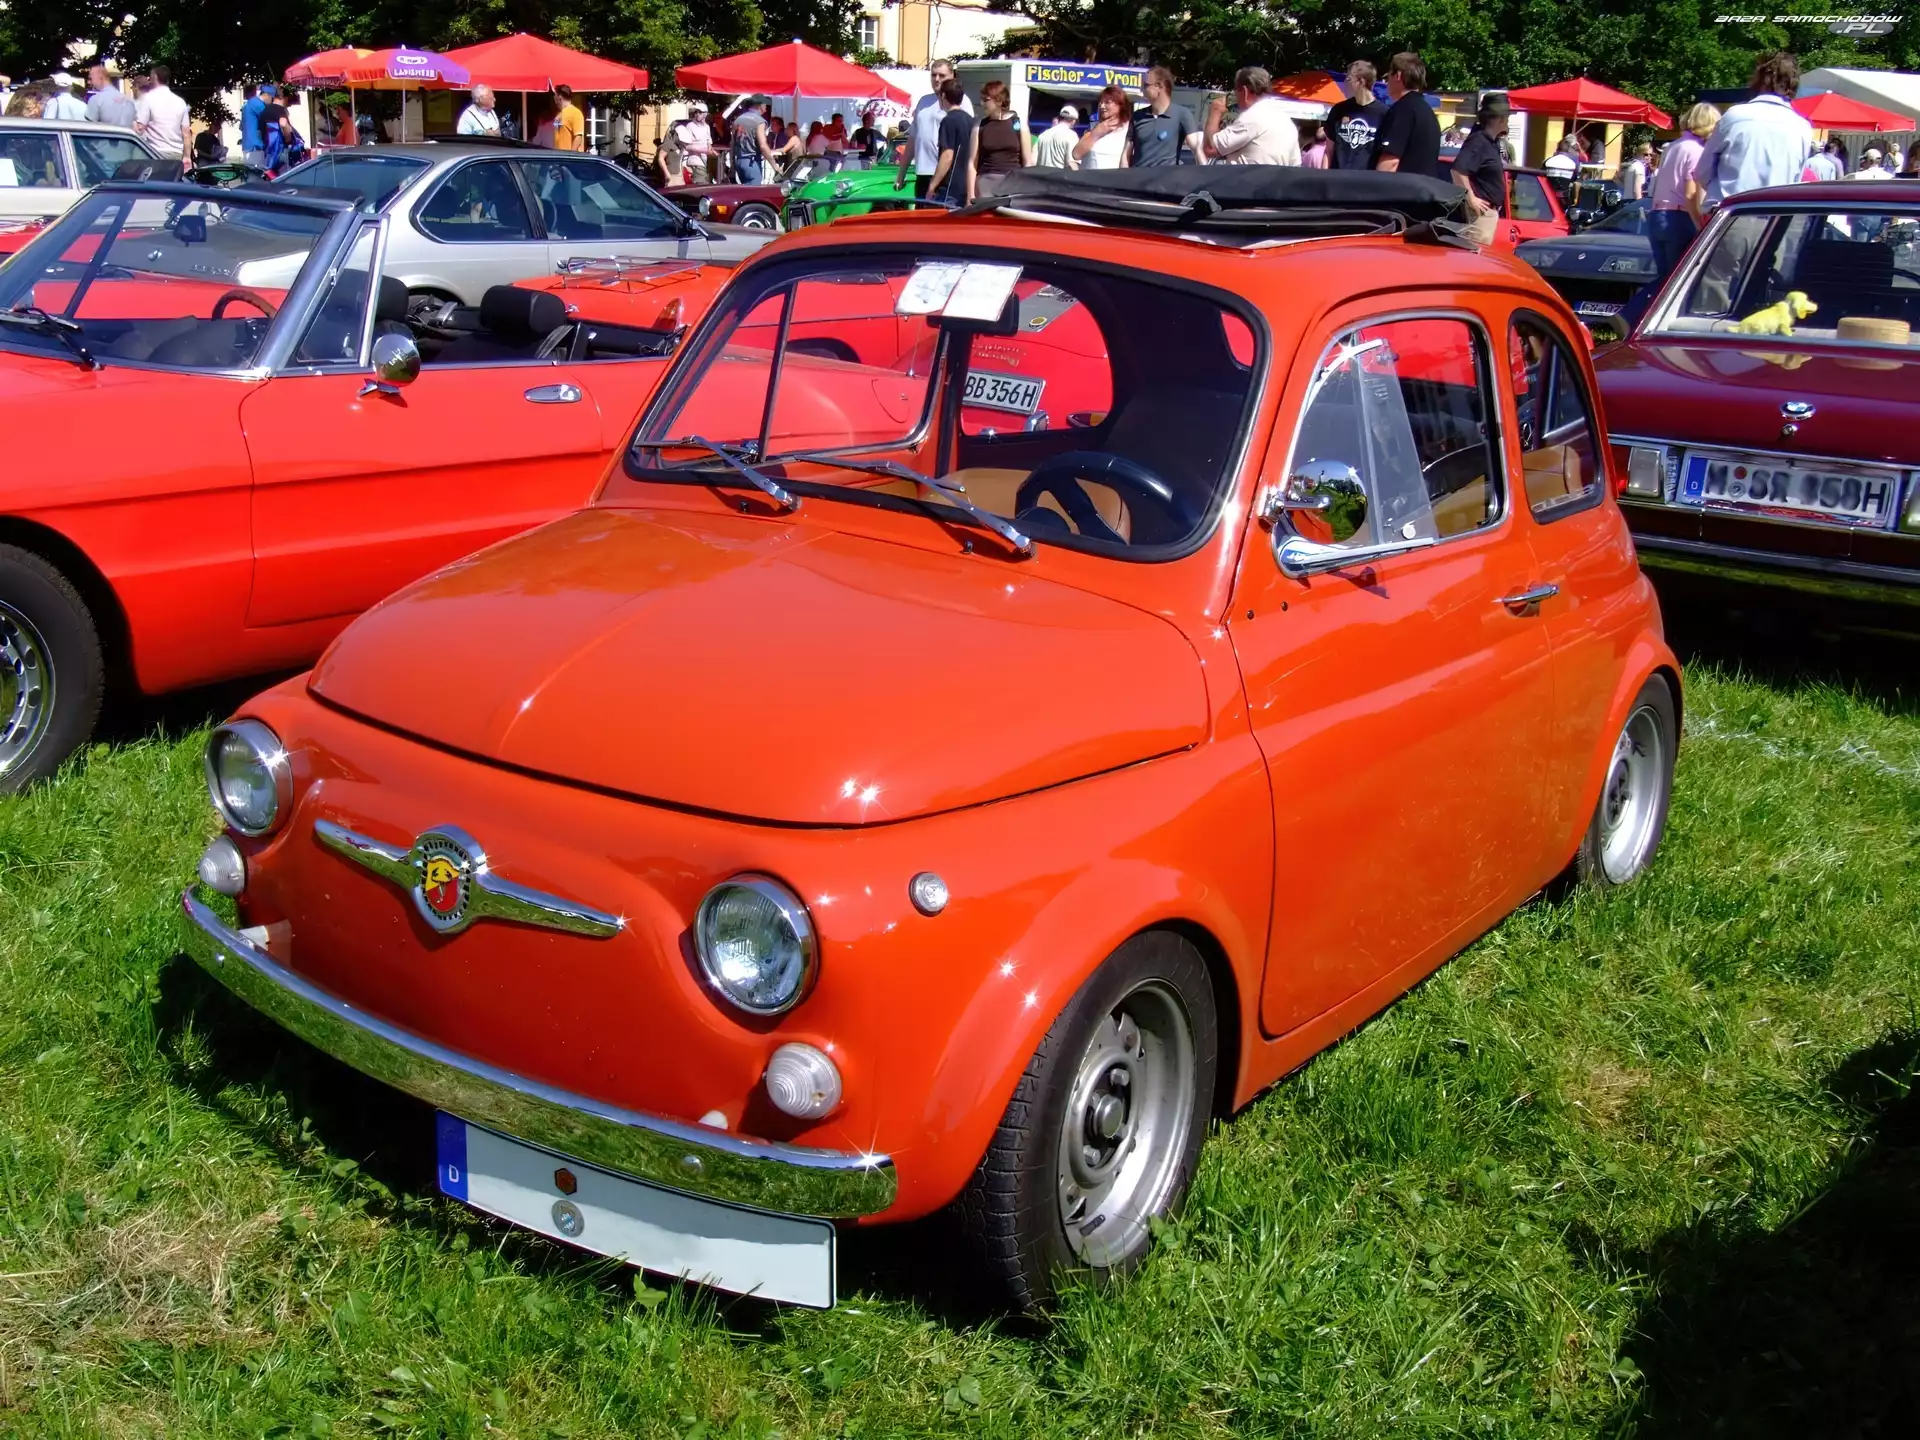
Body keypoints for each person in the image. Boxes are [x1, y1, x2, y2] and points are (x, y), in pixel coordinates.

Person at [1695, 52, 1813, 216]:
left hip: (1732, 214)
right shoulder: (1803, 127)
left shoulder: (1735, 116)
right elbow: (1796, 179)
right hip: (1776, 218)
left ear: (1758, 79)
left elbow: (1702, 172)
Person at [1646, 103, 1718, 284]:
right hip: (1679, 218)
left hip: (1657, 215)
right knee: (1679, 281)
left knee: (1664, 282)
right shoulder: (1697, 151)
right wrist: (1700, 226)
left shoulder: (1671, 147)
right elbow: (1690, 194)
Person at [897, 58, 971, 197]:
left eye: (942, 75)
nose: (937, 79)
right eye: (933, 75)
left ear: (952, 76)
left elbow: (966, 140)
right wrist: (901, 173)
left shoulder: (961, 101)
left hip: (946, 174)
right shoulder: (923, 101)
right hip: (922, 172)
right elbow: (913, 139)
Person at [1203, 66, 1300, 165]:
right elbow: (1296, 164)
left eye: (1236, 91)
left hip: (1248, 175)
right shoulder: (1286, 120)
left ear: (1244, 91)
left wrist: (1215, 112)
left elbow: (1210, 149)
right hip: (1278, 175)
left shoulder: (1252, 116)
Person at [1450, 93, 1510, 247]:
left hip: (1486, 214)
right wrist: (1471, 198)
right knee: (1474, 256)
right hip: (1479, 216)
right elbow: (1457, 170)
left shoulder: (1490, 142)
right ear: (1501, 118)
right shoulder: (1479, 140)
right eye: (1507, 117)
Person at [1370, 53, 1441, 177]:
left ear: (1397, 76)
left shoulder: (1403, 110)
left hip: (1400, 187)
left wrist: (1374, 187)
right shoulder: (1427, 111)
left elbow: (1390, 164)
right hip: (1423, 185)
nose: (1387, 82)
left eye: (1388, 77)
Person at [966, 79, 1030, 199]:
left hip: (1013, 185)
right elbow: (972, 163)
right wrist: (970, 196)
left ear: (999, 100)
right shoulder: (980, 126)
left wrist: (1026, 193)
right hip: (985, 185)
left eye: (986, 100)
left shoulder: (1019, 124)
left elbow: (1028, 162)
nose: (982, 103)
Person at [1128, 66, 1200, 167]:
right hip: (1138, 176)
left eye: (1146, 85)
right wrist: (1124, 175)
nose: (1142, 89)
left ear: (1159, 86)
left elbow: (1196, 148)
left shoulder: (1182, 114)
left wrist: (1205, 173)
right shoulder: (1137, 116)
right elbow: (1126, 153)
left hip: (1167, 176)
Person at [1326, 61, 1388, 169]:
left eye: (1348, 79)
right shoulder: (1339, 109)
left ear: (1360, 81)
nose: (1345, 83)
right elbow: (1328, 151)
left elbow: (1385, 156)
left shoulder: (1384, 114)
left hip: (1365, 178)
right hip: (1337, 177)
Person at [926, 78, 975, 204]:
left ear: (943, 96)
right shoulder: (971, 121)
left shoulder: (948, 121)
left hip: (950, 189)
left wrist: (932, 185)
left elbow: (947, 156)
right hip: (968, 186)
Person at [135, 66, 192, 161]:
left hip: (155, 152)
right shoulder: (180, 102)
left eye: (150, 77)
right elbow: (186, 133)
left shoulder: (148, 98)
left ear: (155, 77)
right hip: (176, 153)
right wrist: (187, 157)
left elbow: (140, 128)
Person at [1074, 84, 1132, 169]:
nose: (1102, 106)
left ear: (1120, 105)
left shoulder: (1130, 128)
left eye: (1107, 102)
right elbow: (1076, 154)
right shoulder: (1093, 126)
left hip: (1116, 177)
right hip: (1090, 176)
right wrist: (1096, 133)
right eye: (1101, 102)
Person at [729, 95, 776, 182]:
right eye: (765, 104)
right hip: (752, 162)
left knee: (744, 188)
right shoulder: (759, 121)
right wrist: (775, 166)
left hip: (739, 161)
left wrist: (732, 164)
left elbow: (732, 144)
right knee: (754, 189)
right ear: (760, 106)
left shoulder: (738, 120)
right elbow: (763, 145)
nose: (766, 107)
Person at [85, 63, 135, 128]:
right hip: (127, 134)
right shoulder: (129, 100)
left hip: (104, 134)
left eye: (90, 79)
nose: (88, 82)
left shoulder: (96, 100)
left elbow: (90, 128)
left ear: (101, 78)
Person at [1032, 105, 1079, 169]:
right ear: (1073, 121)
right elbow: (1072, 164)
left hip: (1042, 174)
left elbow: (1033, 161)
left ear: (1059, 118)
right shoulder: (1071, 135)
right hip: (1060, 175)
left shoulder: (1042, 135)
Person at [675, 104, 713, 182]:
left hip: (705, 160)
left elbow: (709, 141)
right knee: (701, 183)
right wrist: (703, 150)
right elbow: (686, 146)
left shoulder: (707, 127)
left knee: (706, 182)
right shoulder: (690, 126)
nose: (697, 114)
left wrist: (710, 150)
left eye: (700, 112)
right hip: (695, 159)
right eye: (696, 112)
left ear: (705, 114)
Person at [552, 85, 586, 151]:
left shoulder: (575, 113)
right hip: (558, 155)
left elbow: (578, 138)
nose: (554, 99)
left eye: (555, 96)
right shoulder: (559, 115)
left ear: (559, 97)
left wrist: (570, 155)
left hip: (568, 156)